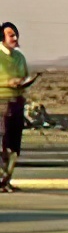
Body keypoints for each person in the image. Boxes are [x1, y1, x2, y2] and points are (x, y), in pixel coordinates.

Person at [0, 22, 29, 193]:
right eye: (11, 35)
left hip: (17, 102)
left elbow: (24, 75)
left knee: (14, 146)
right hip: (1, 102)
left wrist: (24, 84)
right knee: (2, 144)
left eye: (16, 34)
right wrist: (7, 83)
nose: (15, 38)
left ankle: (6, 181)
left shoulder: (20, 57)